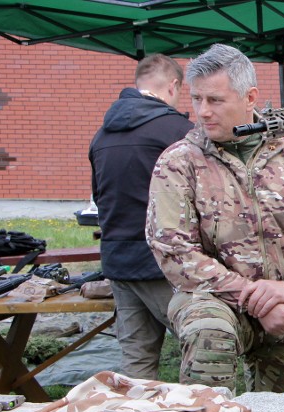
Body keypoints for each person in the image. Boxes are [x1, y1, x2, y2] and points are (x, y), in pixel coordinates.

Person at [146, 44, 284, 394]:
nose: (202, 111)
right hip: (212, 301)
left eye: (215, 100)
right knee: (210, 337)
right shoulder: (178, 163)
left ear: (250, 97)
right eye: (196, 99)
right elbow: (173, 250)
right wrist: (251, 298)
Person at [89, 54, 193, 380]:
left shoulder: (101, 136)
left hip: (118, 261)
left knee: (137, 364)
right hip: (166, 262)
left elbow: (98, 198)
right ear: (174, 86)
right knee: (203, 347)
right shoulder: (178, 129)